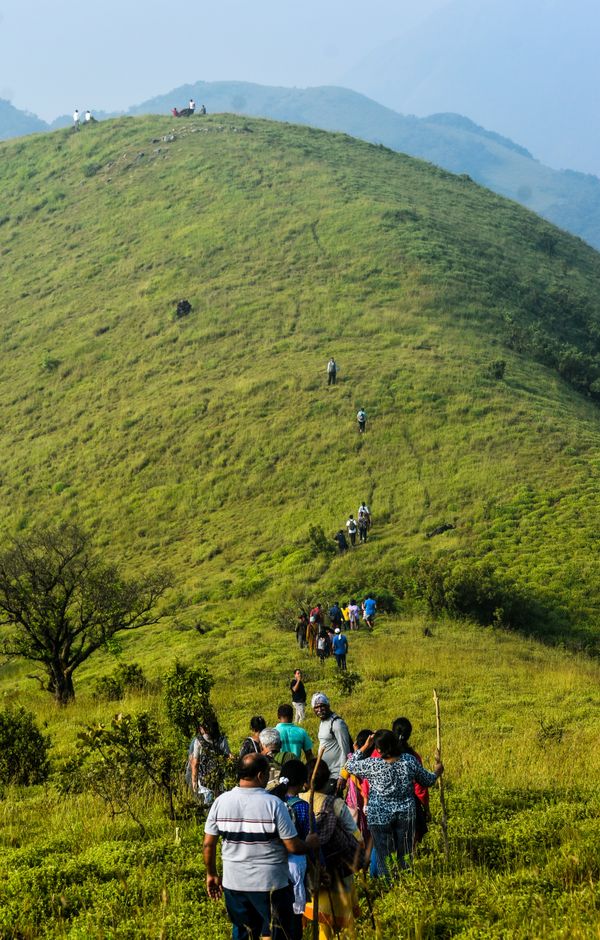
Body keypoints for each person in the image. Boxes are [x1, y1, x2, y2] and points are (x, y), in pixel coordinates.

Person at [203, 752, 312, 940]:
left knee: (243, 931)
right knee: (278, 932)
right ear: (261, 775)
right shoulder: (274, 804)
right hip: (271, 885)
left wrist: (211, 873)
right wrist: (310, 844)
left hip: (234, 883)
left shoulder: (220, 802)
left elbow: (208, 844)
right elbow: (293, 846)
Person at [344, 730, 443, 878]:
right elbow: (427, 780)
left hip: (379, 817)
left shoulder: (373, 764)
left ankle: (387, 885)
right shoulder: (408, 761)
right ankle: (405, 883)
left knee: (384, 856)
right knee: (405, 854)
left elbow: (349, 766)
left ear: (378, 750)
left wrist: (365, 746)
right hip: (405, 816)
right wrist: (437, 771)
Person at [301, 758, 363, 939]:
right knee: (339, 911)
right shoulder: (334, 803)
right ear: (327, 778)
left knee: (318, 910)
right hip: (337, 863)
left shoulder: (298, 799)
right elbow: (354, 832)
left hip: (311, 865)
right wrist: (360, 850)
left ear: (306, 781)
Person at [271, 761, 315, 940]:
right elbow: (309, 840)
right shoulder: (303, 807)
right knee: (295, 915)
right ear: (303, 781)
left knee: (277, 915)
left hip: (274, 864)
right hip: (297, 864)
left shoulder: (273, 801)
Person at [392, 716, 430, 843]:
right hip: (409, 807)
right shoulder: (413, 757)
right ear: (409, 734)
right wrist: (426, 808)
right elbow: (420, 788)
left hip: (384, 807)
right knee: (409, 847)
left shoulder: (380, 753)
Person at [311, 693, 352, 793]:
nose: (319, 710)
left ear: (328, 705)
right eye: (316, 707)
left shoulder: (337, 724)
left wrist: (342, 776)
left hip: (335, 774)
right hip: (325, 773)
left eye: (322, 706)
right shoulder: (323, 722)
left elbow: (345, 750)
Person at [186, 716, 231, 805]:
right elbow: (228, 757)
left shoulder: (199, 741)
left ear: (205, 728)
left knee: (208, 803)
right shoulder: (222, 739)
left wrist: (194, 781)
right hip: (219, 777)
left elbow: (195, 763)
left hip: (204, 779)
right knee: (220, 800)